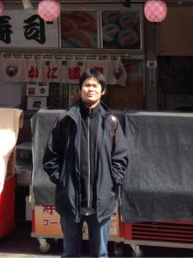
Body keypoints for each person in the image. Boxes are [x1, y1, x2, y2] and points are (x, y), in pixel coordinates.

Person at [43, 69, 129, 258]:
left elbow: (121, 158)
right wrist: (62, 180)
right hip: (70, 199)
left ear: (103, 91)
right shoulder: (65, 120)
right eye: (87, 85)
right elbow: (51, 156)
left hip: (101, 202)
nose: (91, 89)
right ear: (80, 89)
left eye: (95, 85)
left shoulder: (111, 122)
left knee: (100, 253)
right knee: (69, 253)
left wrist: (111, 181)